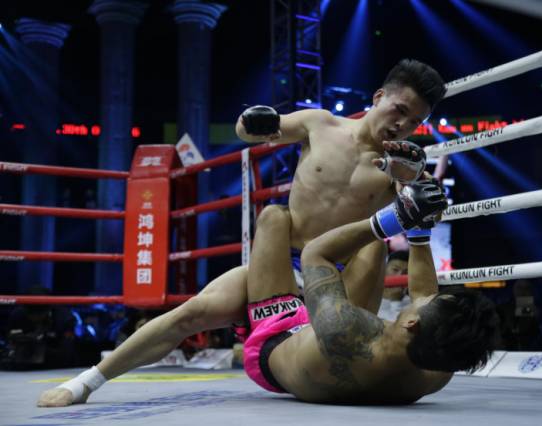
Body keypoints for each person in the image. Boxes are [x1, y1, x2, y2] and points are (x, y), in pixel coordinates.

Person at [37, 58, 448, 406]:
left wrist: (413, 180)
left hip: (341, 286)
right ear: (378, 97)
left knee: (373, 247)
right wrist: (250, 121)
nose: (402, 124)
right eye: (399, 110)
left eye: (415, 121)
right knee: (196, 309)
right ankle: (86, 382)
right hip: (283, 269)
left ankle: (331, 366)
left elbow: (425, 211)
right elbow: (254, 129)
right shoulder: (320, 124)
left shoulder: (404, 164)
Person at [40, 180, 499, 405]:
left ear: (413, 321)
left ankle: (84, 384)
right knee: (373, 250)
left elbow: (317, 253)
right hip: (325, 344)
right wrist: (418, 232)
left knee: (274, 220)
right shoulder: (436, 369)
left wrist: (393, 218)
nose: (425, 294)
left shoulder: (344, 327)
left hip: (277, 339)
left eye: (427, 303)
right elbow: (423, 293)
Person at [377, 250, 411, 321]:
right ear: (384, 268)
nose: (399, 275)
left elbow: (401, 326)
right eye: (395, 270)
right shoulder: (369, 294)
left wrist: (396, 301)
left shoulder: (411, 302)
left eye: (406, 272)